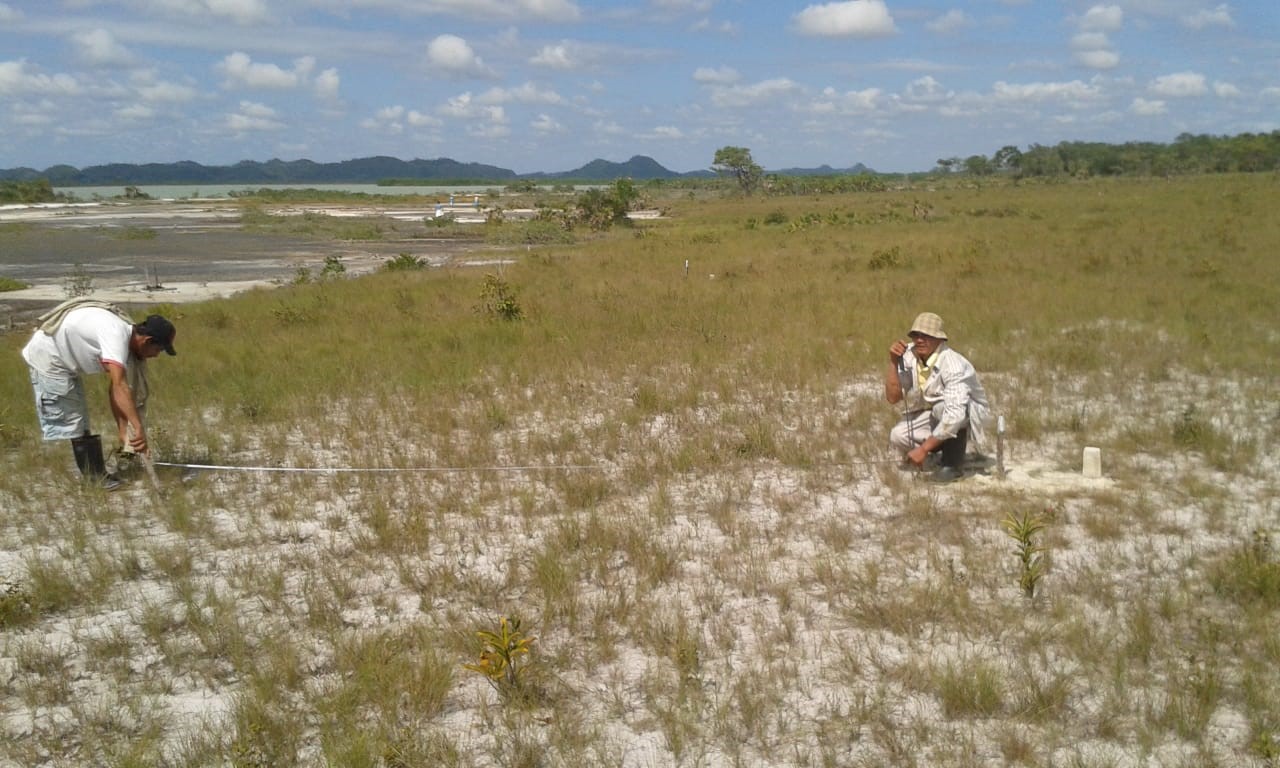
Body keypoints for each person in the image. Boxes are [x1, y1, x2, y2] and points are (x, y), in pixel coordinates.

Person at [21, 298, 176, 488]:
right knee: (74, 421)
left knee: (81, 420)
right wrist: (138, 429)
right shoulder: (116, 335)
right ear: (147, 340)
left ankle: (96, 474)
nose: (156, 355)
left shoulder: (126, 338)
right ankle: (94, 479)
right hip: (49, 359)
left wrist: (123, 431)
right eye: (158, 349)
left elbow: (114, 388)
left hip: (66, 360)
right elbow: (120, 386)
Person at [884, 311, 990, 482]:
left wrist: (923, 449)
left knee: (943, 410)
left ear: (940, 339)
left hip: (967, 412)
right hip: (935, 411)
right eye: (916, 335)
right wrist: (893, 363)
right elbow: (893, 398)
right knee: (898, 435)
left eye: (926, 336)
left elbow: (955, 415)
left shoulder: (953, 364)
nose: (919, 340)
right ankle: (936, 453)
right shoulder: (909, 355)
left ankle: (952, 465)